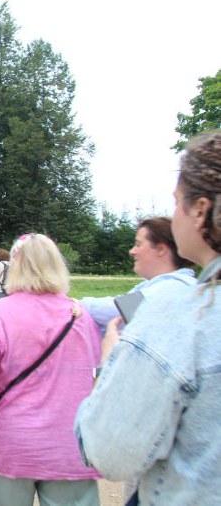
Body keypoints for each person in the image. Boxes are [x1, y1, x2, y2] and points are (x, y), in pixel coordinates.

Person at [75, 130, 221, 505]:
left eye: (176, 202)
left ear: (200, 210)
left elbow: (108, 450)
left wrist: (106, 364)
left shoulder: (179, 314)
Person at [0, 233, 101, 506]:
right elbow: (96, 375)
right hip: (69, 444)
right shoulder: (81, 315)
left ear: (16, 266)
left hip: (12, 442)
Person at [82, 217, 195, 335]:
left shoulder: (171, 288)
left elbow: (115, 310)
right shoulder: (163, 285)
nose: (132, 251)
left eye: (138, 244)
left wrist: (74, 305)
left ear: (160, 249)